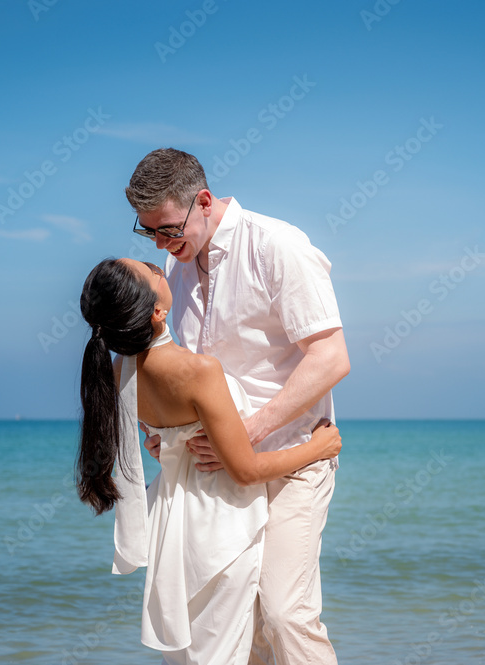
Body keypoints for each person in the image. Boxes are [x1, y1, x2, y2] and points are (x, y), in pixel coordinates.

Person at [127, 148, 350, 665]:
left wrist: (246, 432)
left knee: (284, 611)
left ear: (203, 201)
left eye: (167, 229)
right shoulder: (175, 265)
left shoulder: (277, 246)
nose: (161, 244)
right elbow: (196, 373)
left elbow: (331, 357)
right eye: (149, 233)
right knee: (235, 620)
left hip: (296, 456)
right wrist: (171, 432)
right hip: (217, 474)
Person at [75, 257, 342, 665]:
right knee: (227, 651)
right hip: (221, 523)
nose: (158, 266)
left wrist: (168, 444)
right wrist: (317, 449)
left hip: (174, 521)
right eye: (151, 271)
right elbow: (246, 470)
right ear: (157, 312)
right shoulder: (197, 371)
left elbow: (160, 437)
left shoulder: (118, 371)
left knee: (201, 651)